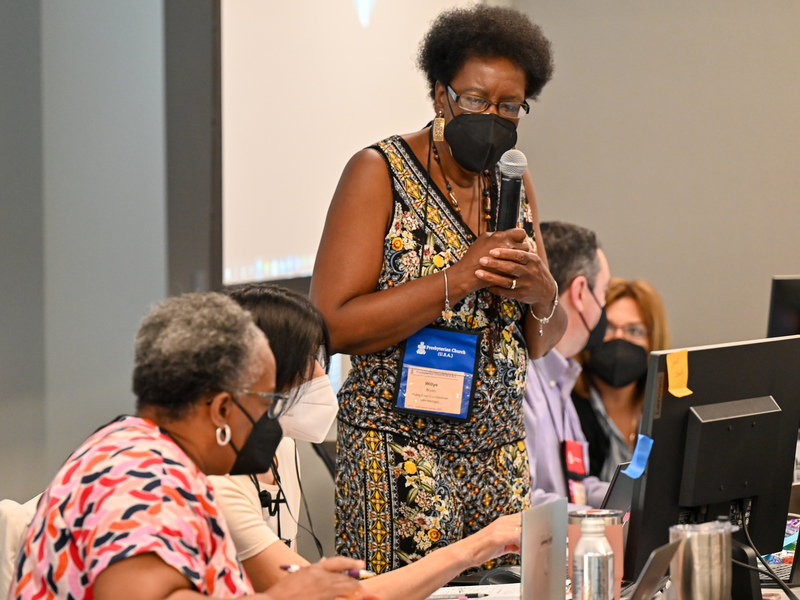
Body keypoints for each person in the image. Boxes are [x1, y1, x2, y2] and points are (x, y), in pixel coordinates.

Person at [310, 4, 566, 573]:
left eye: (509, 106)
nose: (492, 116)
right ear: (440, 94)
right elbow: (332, 323)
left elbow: (543, 340)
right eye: (476, 100)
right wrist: (459, 277)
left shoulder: (514, 178)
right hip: (399, 452)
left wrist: (543, 295)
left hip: (499, 453)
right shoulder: (378, 172)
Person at [8, 292, 370, 600]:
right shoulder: (144, 478)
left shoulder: (136, 451)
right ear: (222, 409)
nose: (269, 423)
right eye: (266, 406)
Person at [211, 283, 523, 600]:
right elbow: (327, 598)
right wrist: (476, 548)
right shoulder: (216, 483)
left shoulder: (283, 449)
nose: (319, 374)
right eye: (306, 359)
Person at [523, 222, 611, 509]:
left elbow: (577, 488)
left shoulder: (561, 376)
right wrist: (603, 521)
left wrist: (641, 500)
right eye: (605, 293)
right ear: (581, 292)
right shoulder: (521, 379)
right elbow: (520, 504)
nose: (604, 307)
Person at [573, 278, 672, 481]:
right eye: (607, 328)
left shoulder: (667, 414)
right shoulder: (567, 406)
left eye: (634, 331)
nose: (619, 339)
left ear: (653, 340)